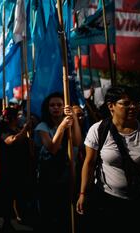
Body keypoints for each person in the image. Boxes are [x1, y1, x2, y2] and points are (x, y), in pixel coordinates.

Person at [76, 86, 140, 233]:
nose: (133, 107)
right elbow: (89, 163)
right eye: (126, 103)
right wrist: (83, 194)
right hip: (109, 201)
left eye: (136, 103)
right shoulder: (98, 130)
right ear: (111, 106)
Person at [34, 92, 82, 233]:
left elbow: (78, 142)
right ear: (47, 108)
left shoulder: (70, 123)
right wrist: (61, 127)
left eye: (59, 105)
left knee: (66, 215)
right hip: (49, 177)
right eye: (52, 105)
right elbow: (53, 148)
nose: (56, 108)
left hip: (68, 175)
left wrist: (73, 118)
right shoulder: (42, 127)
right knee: (49, 216)